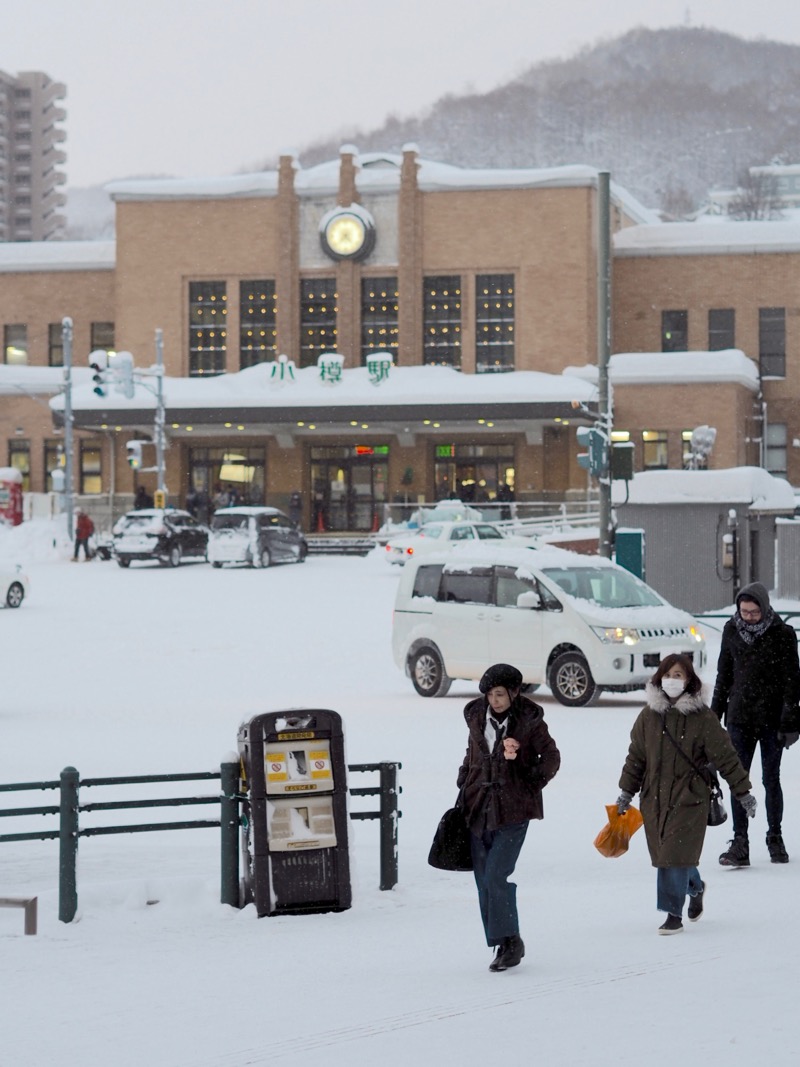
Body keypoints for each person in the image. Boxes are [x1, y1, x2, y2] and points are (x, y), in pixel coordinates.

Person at [617, 653, 755, 935]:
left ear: (689, 680)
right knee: (670, 855)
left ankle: (672, 914)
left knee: (673, 855)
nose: (671, 680)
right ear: (659, 678)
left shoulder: (703, 718)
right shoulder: (648, 717)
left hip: (690, 798)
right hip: (653, 798)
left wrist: (743, 792)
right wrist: (625, 792)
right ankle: (695, 886)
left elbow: (727, 757)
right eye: (667, 675)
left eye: (678, 675)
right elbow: (636, 758)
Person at [456, 663, 560, 972]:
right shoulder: (477, 718)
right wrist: (464, 780)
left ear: (513, 693)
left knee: (495, 875)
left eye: (500, 694)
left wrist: (527, 780)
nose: (494, 700)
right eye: (489, 694)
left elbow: (552, 758)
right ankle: (501, 941)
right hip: (477, 807)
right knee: (482, 881)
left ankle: (511, 941)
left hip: (514, 809)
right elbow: (472, 753)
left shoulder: (529, 722)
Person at [711, 581, 800, 866]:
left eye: (754, 612)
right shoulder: (731, 630)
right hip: (739, 718)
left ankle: (775, 836)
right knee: (739, 780)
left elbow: (792, 681)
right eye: (744, 611)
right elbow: (723, 675)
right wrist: (713, 718)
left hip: (772, 720)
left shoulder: (783, 634)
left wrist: (790, 721)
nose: (748, 617)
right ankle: (740, 842)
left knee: (770, 779)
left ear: (765, 608)